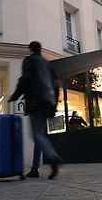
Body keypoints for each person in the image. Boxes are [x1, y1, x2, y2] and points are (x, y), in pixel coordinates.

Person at [8, 41, 62, 179]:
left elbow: (25, 78)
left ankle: (52, 156)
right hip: (48, 102)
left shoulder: (29, 60)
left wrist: (15, 96)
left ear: (30, 49)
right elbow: (56, 86)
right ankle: (34, 169)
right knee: (40, 135)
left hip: (35, 101)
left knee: (36, 135)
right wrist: (54, 105)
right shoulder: (48, 64)